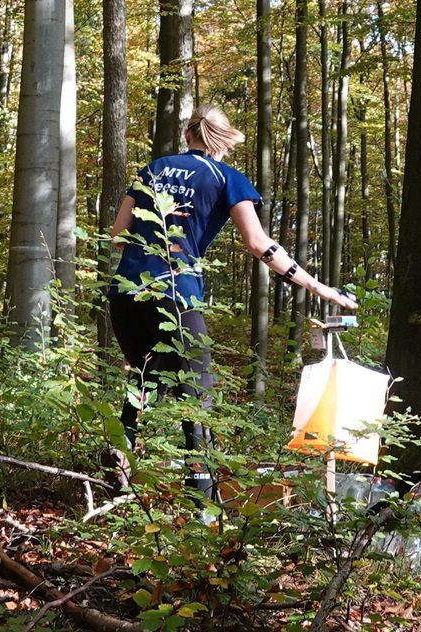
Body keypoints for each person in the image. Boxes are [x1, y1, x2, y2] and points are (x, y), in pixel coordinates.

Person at [107, 104, 356, 502]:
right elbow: (260, 245)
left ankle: (118, 458)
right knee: (196, 386)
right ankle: (203, 495)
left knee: (145, 374)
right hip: (175, 292)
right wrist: (320, 288)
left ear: (188, 136)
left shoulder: (153, 169)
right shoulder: (227, 178)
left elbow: (119, 236)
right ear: (223, 144)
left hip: (125, 292)